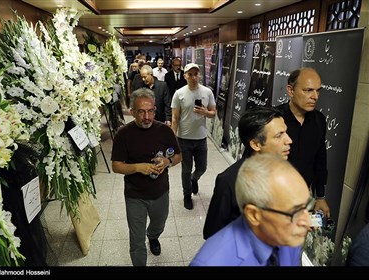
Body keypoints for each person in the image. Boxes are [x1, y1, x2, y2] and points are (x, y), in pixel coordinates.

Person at [190, 153, 313, 266]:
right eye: (295, 212)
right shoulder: (212, 262)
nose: (307, 222)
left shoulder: (291, 237)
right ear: (254, 215)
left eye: (306, 206)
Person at [111, 88, 182, 266]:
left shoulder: (165, 131)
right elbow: (116, 166)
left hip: (160, 192)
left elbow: (179, 156)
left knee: (159, 225)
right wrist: (138, 167)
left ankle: (153, 236)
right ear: (132, 112)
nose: (147, 117)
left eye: (150, 111)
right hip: (135, 196)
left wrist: (167, 162)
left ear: (155, 109)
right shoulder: (123, 134)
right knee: (136, 240)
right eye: (141, 112)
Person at [203, 106, 293, 240]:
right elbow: (212, 233)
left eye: (286, 132)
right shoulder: (229, 182)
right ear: (256, 144)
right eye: (279, 136)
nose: (289, 140)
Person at [276, 67, 330, 217]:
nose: (315, 97)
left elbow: (320, 159)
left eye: (318, 91)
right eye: (308, 90)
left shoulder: (319, 121)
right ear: (290, 90)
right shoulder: (273, 119)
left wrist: (320, 196)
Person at [171, 63, 216, 210]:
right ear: (185, 76)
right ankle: (187, 195)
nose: (194, 77)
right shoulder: (179, 94)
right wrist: (172, 138)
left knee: (202, 167)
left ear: (199, 75)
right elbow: (175, 118)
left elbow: (213, 113)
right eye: (190, 74)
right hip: (184, 138)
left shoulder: (207, 92)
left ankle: (194, 179)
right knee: (186, 169)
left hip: (201, 137)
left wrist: (205, 112)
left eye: (196, 74)